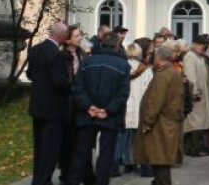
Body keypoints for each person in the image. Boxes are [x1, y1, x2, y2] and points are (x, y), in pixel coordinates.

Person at [68, 33, 130, 185]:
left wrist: (88, 106)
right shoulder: (123, 66)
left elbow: (77, 88)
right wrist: (107, 110)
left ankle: (73, 181)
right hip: (109, 115)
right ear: (116, 47)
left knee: (81, 153)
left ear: (101, 44)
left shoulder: (87, 62)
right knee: (106, 154)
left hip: (87, 113)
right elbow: (123, 93)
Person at [27, 22, 71, 185]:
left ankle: (38, 178)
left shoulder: (36, 50)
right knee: (50, 148)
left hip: (37, 107)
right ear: (61, 36)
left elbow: (30, 74)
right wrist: (72, 85)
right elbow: (59, 82)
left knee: (39, 147)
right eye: (66, 35)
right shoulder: (56, 55)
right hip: (53, 109)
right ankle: (43, 180)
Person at [135, 40, 184, 185]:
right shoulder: (172, 72)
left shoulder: (163, 75)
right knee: (161, 161)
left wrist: (147, 122)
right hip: (166, 123)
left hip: (161, 125)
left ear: (159, 58)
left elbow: (156, 100)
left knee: (159, 160)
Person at [58, 25, 93, 185]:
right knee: (68, 143)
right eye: (77, 36)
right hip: (68, 105)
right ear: (67, 39)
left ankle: (86, 176)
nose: (80, 38)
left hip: (82, 105)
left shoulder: (83, 56)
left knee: (83, 143)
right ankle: (67, 175)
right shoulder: (62, 57)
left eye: (80, 35)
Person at [117, 43, 152, 175]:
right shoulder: (146, 70)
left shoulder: (121, 67)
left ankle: (127, 162)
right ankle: (141, 164)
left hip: (125, 108)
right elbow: (150, 90)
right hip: (140, 109)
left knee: (125, 138)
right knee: (140, 139)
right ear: (139, 53)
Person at [182, 35, 209, 156]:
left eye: (204, 45)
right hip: (196, 95)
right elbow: (190, 76)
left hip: (202, 93)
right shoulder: (190, 57)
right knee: (195, 122)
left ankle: (196, 147)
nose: (203, 47)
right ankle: (195, 148)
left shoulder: (199, 57)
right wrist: (194, 92)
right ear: (194, 44)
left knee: (199, 121)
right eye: (200, 44)